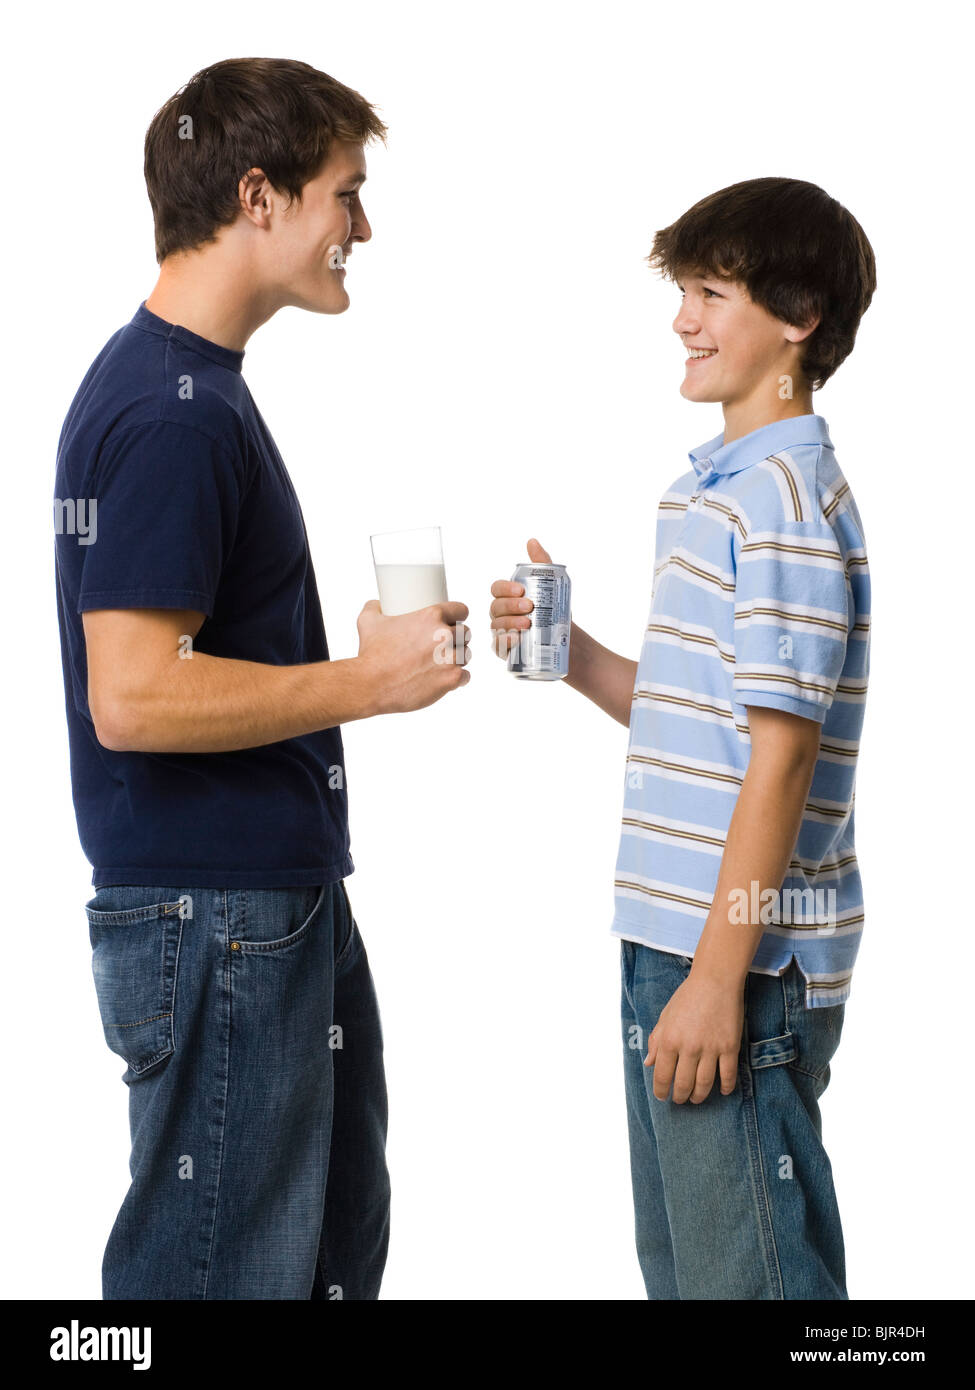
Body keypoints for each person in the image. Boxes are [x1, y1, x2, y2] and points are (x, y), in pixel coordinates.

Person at [53, 57, 470, 1301]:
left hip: (261, 905)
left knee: (321, 1263)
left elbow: (177, 662)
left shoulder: (192, 392)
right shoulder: (175, 412)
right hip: (218, 915)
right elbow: (129, 696)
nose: (363, 227)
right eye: (346, 193)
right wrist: (362, 680)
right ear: (260, 195)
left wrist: (332, 659)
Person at [490, 177, 875, 1299]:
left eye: (711, 292)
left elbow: (785, 759)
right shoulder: (716, 490)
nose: (682, 319)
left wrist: (717, 979)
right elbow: (696, 713)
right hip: (674, 945)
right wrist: (573, 659)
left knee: (748, 1283)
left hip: (734, 962)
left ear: (796, 319)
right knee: (691, 1276)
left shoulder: (784, 506)